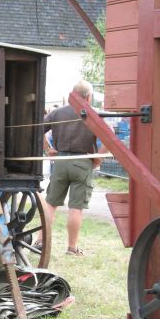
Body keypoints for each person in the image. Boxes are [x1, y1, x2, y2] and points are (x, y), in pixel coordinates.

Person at [40, 80, 109, 256]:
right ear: (89, 96)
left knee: (51, 204)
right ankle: (72, 248)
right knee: (75, 208)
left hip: (60, 161)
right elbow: (110, 137)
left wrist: (48, 149)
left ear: (72, 94)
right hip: (83, 162)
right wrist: (98, 159)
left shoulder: (57, 112)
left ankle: (41, 241)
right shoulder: (93, 114)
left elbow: (37, 129)